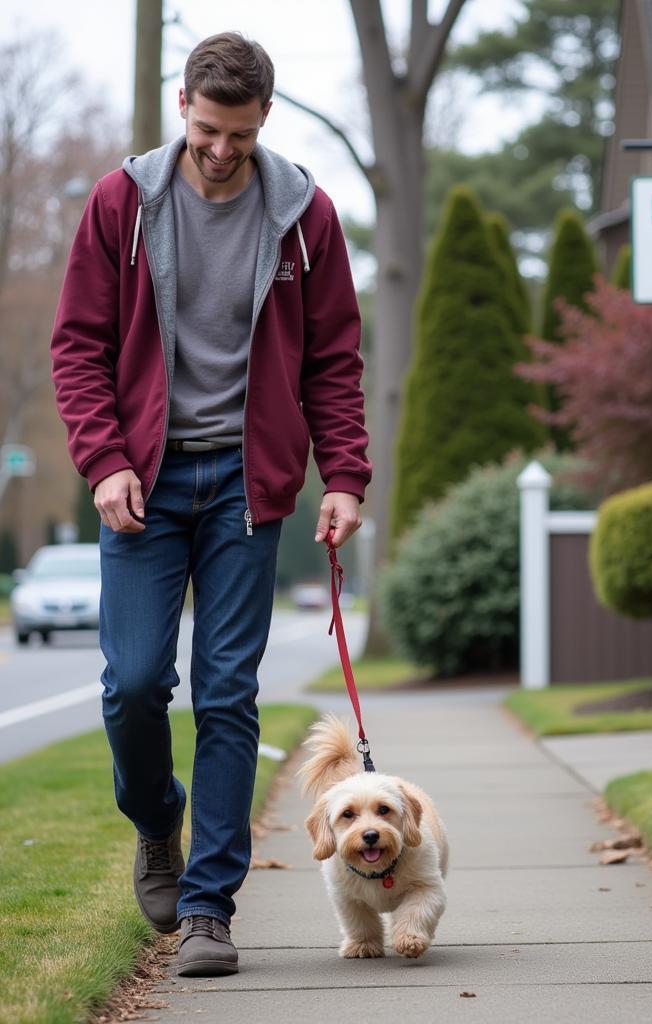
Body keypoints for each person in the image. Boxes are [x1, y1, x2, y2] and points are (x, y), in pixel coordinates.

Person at [50, 32, 370, 978]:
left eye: (236, 133)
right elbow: (78, 345)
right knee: (137, 683)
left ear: (264, 117)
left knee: (228, 694)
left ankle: (208, 910)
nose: (219, 150)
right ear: (182, 104)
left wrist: (343, 474)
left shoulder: (305, 216)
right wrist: (103, 459)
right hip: (141, 483)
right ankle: (158, 822)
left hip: (246, 482)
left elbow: (333, 360)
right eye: (203, 130)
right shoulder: (125, 203)